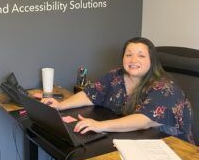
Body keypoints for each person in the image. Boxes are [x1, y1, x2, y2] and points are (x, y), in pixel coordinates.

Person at [41, 37, 195, 144]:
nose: (133, 60)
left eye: (141, 56)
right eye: (129, 55)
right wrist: (60, 105)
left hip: (170, 150)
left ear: (152, 61)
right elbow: (91, 93)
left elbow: (144, 120)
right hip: (135, 140)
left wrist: (100, 125)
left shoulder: (165, 88)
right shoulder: (116, 76)